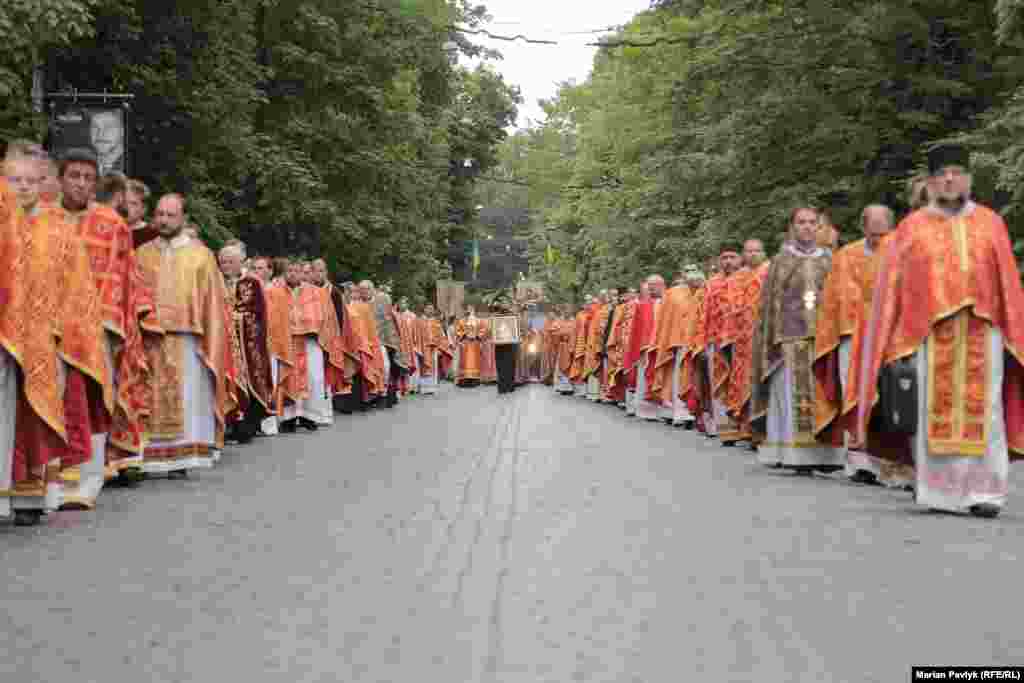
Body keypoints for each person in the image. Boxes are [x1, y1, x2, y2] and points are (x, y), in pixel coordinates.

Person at [851, 145, 1024, 518]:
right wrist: (894, 341)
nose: (950, 178)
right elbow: (893, 289)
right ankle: (941, 492)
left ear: (968, 179)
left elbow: (1009, 284)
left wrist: (1015, 333)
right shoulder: (912, 228)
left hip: (984, 329)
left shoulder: (991, 222)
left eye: (957, 171)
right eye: (942, 173)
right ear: (930, 181)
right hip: (927, 334)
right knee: (932, 409)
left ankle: (984, 491)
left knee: (987, 408)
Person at [0, 150, 108, 525]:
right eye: (16, 179)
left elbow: (78, 291)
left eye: (32, 179)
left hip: (43, 341)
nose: (25, 185)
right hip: (3, 339)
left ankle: (29, 497)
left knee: (35, 416)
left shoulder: (60, 230)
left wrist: (68, 337)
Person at [62, 158, 152, 505]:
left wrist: (116, 328)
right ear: (61, 179)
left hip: (99, 327)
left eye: (88, 177)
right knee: (56, 399)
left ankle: (89, 477)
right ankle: (54, 478)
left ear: (95, 183)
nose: (81, 183)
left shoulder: (111, 224)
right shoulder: (45, 218)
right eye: (74, 176)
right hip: (50, 326)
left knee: (92, 400)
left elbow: (124, 280)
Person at [136, 193, 234, 476]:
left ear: (183, 218)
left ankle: (181, 458)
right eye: (160, 214)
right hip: (150, 339)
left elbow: (214, 304)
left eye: (171, 215)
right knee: (149, 397)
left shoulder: (201, 255)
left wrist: (212, 343)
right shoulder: (142, 254)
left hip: (189, 341)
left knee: (189, 398)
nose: (164, 220)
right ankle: (146, 456)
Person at [750, 207, 840, 474]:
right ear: (792, 226)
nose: (808, 227)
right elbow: (769, 304)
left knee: (823, 394)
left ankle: (825, 454)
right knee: (792, 395)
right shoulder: (781, 260)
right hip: (789, 338)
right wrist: (772, 337)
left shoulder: (830, 259)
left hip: (823, 337)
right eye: (802, 222)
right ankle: (794, 454)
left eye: (813, 223)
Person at [813, 206, 895, 485]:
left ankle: (892, 461)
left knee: (890, 395)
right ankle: (859, 460)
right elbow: (832, 300)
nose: (879, 238)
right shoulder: (845, 256)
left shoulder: (900, 251)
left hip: (891, 336)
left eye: (883, 232)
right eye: (874, 232)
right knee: (856, 393)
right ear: (863, 228)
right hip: (852, 335)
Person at [219, 244, 274, 443]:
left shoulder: (251, 282)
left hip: (246, 343)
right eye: (222, 261)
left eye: (229, 262)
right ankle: (228, 423)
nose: (225, 266)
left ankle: (247, 426)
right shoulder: (217, 281)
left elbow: (254, 312)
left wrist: (231, 318)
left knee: (249, 380)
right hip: (224, 341)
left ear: (239, 262)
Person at [725, 239, 771, 448]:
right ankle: (746, 429)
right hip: (742, 341)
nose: (753, 254)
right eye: (749, 251)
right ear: (743, 254)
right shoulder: (737, 277)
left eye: (757, 251)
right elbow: (731, 307)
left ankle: (765, 432)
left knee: (764, 383)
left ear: (763, 252)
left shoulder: (772, 271)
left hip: (766, 339)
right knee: (742, 385)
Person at [709, 250, 744, 444]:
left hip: (743, 339)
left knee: (743, 383)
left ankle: (746, 429)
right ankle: (726, 431)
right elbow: (704, 314)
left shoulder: (748, 278)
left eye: (732, 257)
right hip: (718, 339)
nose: (728, 262)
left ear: (740, 259)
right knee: (722, 382)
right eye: (724, 258)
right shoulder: (712, 283)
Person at [651, 272, 695, 427]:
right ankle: (680, 413)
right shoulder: (672, 294)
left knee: (693, 376)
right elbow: (666, 320)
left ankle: (695, 413)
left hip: (697, 340)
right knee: (679, 375)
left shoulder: (703, 289)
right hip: (679, 342)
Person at [418, 304, 451, 396]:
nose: (430, 311)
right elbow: (416, 335)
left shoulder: (436, 322)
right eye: (428, 309)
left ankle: (432, 387)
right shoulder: (419, 321)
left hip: (434, 348)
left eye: (432, 309)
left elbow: (441, 335)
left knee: (434, 366)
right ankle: (424, 387)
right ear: (424, 310)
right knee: (424, 366)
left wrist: (442, 346)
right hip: (423, 347)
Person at [454, 305, 486, 387]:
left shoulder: (479, 321)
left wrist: (477, 336)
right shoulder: (461, 321)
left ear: (474, 310)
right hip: (465, 344)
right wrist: (464, 334)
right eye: (468, 309)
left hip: (475, 344)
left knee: (475, 362)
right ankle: (464, 379)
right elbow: (458, 330)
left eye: (471, 309)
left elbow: (483, 329)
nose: (470, 310)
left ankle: (475, 380)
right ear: (466, 310)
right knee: (464, 362)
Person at [493, 304, 519, 394]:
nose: (504, 311)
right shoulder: (496, 318)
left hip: (508, 346)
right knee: (505, 367)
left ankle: (506, 387)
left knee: (506, 367)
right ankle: (506, 387)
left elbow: (516, 331)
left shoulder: (513, 318)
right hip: (503, 346)